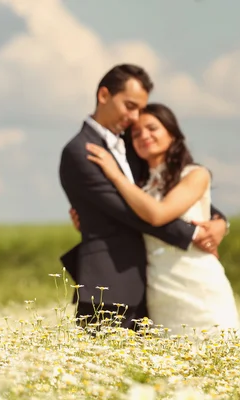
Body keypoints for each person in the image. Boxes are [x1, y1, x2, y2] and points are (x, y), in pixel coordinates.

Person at [58, 63, 230, 331]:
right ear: (104, 95)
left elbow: (168, 199)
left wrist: (219, 222)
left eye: (140, 108)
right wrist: (194, 235)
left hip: (151, 285)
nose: (134, 117)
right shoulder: (81, 151)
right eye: (129, 106)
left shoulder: (131, 147)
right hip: (110, 286)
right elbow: (133, 214)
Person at [85, 102, 239, 335]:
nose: (144, 136)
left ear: (172, 132)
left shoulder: (195, 174)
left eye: (152, 128)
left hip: (199, 284)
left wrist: (114, 175)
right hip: (161, 291)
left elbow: (158, 214)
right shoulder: (139, 187)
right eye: (136, 133)